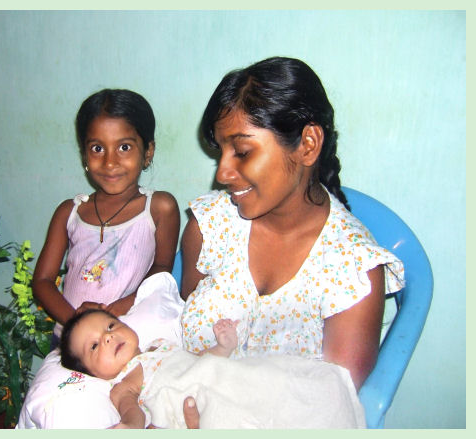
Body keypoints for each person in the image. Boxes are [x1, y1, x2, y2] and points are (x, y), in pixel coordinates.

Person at [180, 56, 405, 401]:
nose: (222, 173)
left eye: (242, 151)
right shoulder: (209, 226)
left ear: (308, 144)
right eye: (220, 150)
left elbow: (333, 406)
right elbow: (179, 329)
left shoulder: (352, 272)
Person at [33, 89, 180, 345]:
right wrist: (78, 322)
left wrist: (124, 305)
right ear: (84, 155)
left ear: (148, 152)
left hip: (126, 337)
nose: (110, 162)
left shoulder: (159, 208)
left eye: (124, 147)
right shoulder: (69, 212)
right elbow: (42, 281)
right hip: (72, 342)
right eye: (97, 148)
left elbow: (161, 269)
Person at [59, 309, 239, 428]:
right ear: (92, 373)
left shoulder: (159, 345)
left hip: (222, 388)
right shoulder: (123, 386)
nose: (108, 336)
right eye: (94, 346)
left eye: (110, 326)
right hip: (194, 413)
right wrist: (129, 427)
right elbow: (133, 414)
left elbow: (197, 360)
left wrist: (223, 348)